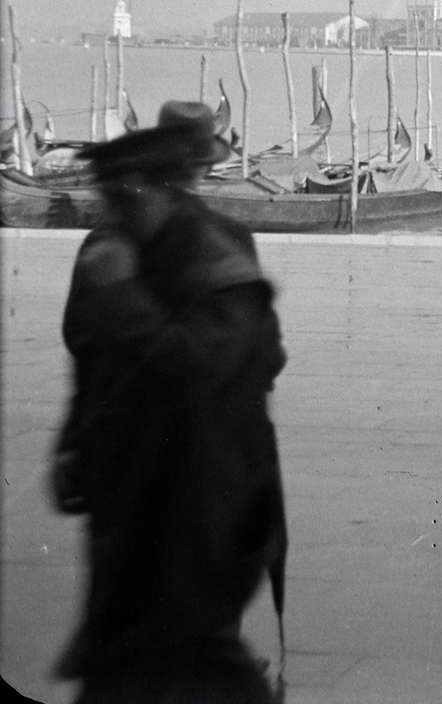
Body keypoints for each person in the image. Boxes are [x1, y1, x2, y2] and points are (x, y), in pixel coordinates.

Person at [51, 101, 288, 703]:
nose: (112, 211)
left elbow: (188, 366)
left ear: (161, 190)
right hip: (136, 486)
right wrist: (73, 445)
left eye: (124, 197)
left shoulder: (219, 260)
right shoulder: (118, 248)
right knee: (147, 645)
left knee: (185, 644)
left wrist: (121, 292)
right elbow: (89, 356)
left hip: (204, 492)